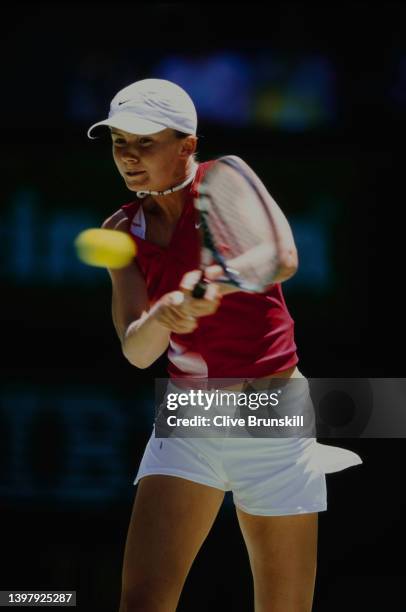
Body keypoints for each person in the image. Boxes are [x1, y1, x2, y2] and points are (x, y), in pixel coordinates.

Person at [87, 78, 362, 612]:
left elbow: (281, 257)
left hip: (272, 414)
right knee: (142, 603)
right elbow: (138, 351)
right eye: (120, 142)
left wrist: (218, 279)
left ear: (187, 144)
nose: (129, 156)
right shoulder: (119, 232)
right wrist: (166, 314)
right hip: (191, 417)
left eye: (146, 142)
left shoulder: (225, 182)